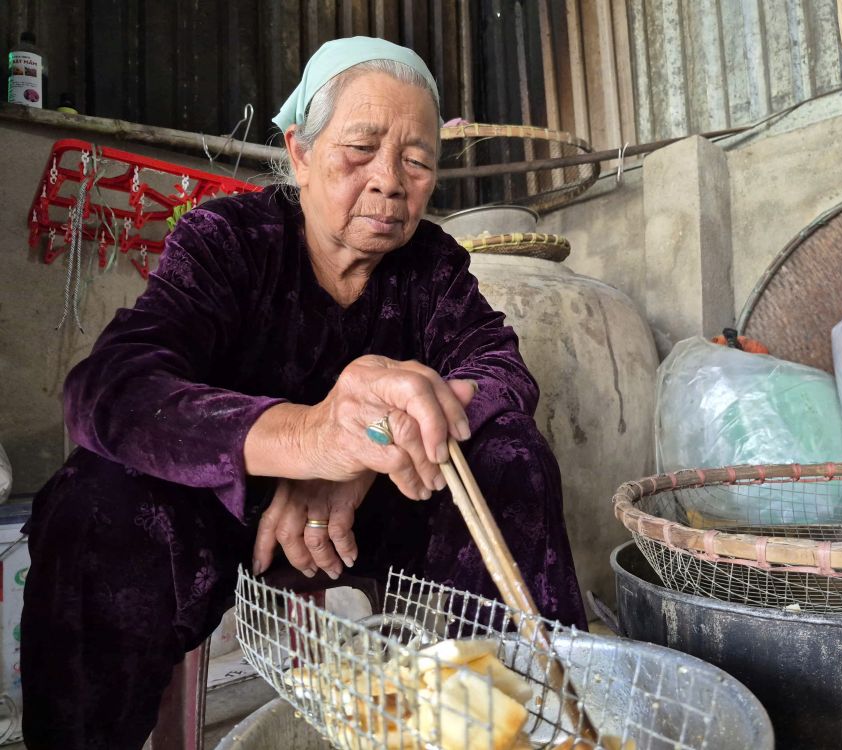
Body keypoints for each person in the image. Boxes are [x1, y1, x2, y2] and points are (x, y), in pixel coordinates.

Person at [20, 37, 586, 750]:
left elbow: (502, 373)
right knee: (97, 501)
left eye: (417, 160)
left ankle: (523, 726)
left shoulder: (431, 268)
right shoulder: (229, 241)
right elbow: (110, 388)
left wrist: (354, 461)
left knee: (510, 458)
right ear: (300, 153)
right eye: (360, 148)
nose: (389, 180)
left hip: (373, 511)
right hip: (226, 510)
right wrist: (308, 441)